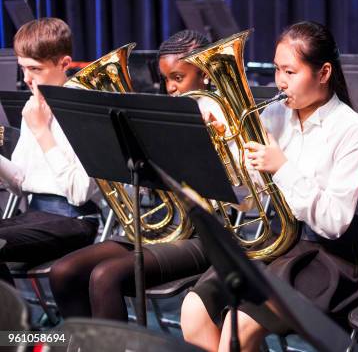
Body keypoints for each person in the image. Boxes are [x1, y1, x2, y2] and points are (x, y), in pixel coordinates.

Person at [180, 21, 358, 351]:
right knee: (193, 313)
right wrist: (226, 150)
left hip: (330, 260)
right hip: (277, 244)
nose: (280, 82)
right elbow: (248, 196)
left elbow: (334, 223)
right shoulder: (274, 114)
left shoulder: (354, 130)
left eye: (290, 72)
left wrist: (282, 168)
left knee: (239, 328)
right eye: (276, 70)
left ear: (324, 72)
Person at [48, 30, 213, 320]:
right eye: (166, 79)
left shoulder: (219, 115)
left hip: (204, 237)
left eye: (178, 78)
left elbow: (241, 196)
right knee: (64, 272)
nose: (171, 88)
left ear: (205, 73)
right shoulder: (163, 114)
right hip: (160, 230)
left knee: (105, 277)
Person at [0, 18, 101, 285]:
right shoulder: (33, 106)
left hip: (76, 219)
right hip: (36, 215)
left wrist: (43, 133)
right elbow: (21, 184)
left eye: (35, 69)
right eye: (23, 69)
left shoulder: (84, 109)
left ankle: (16, 324)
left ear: (65, 64)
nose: (27, 79)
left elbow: (80, 193)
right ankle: (15, 325)